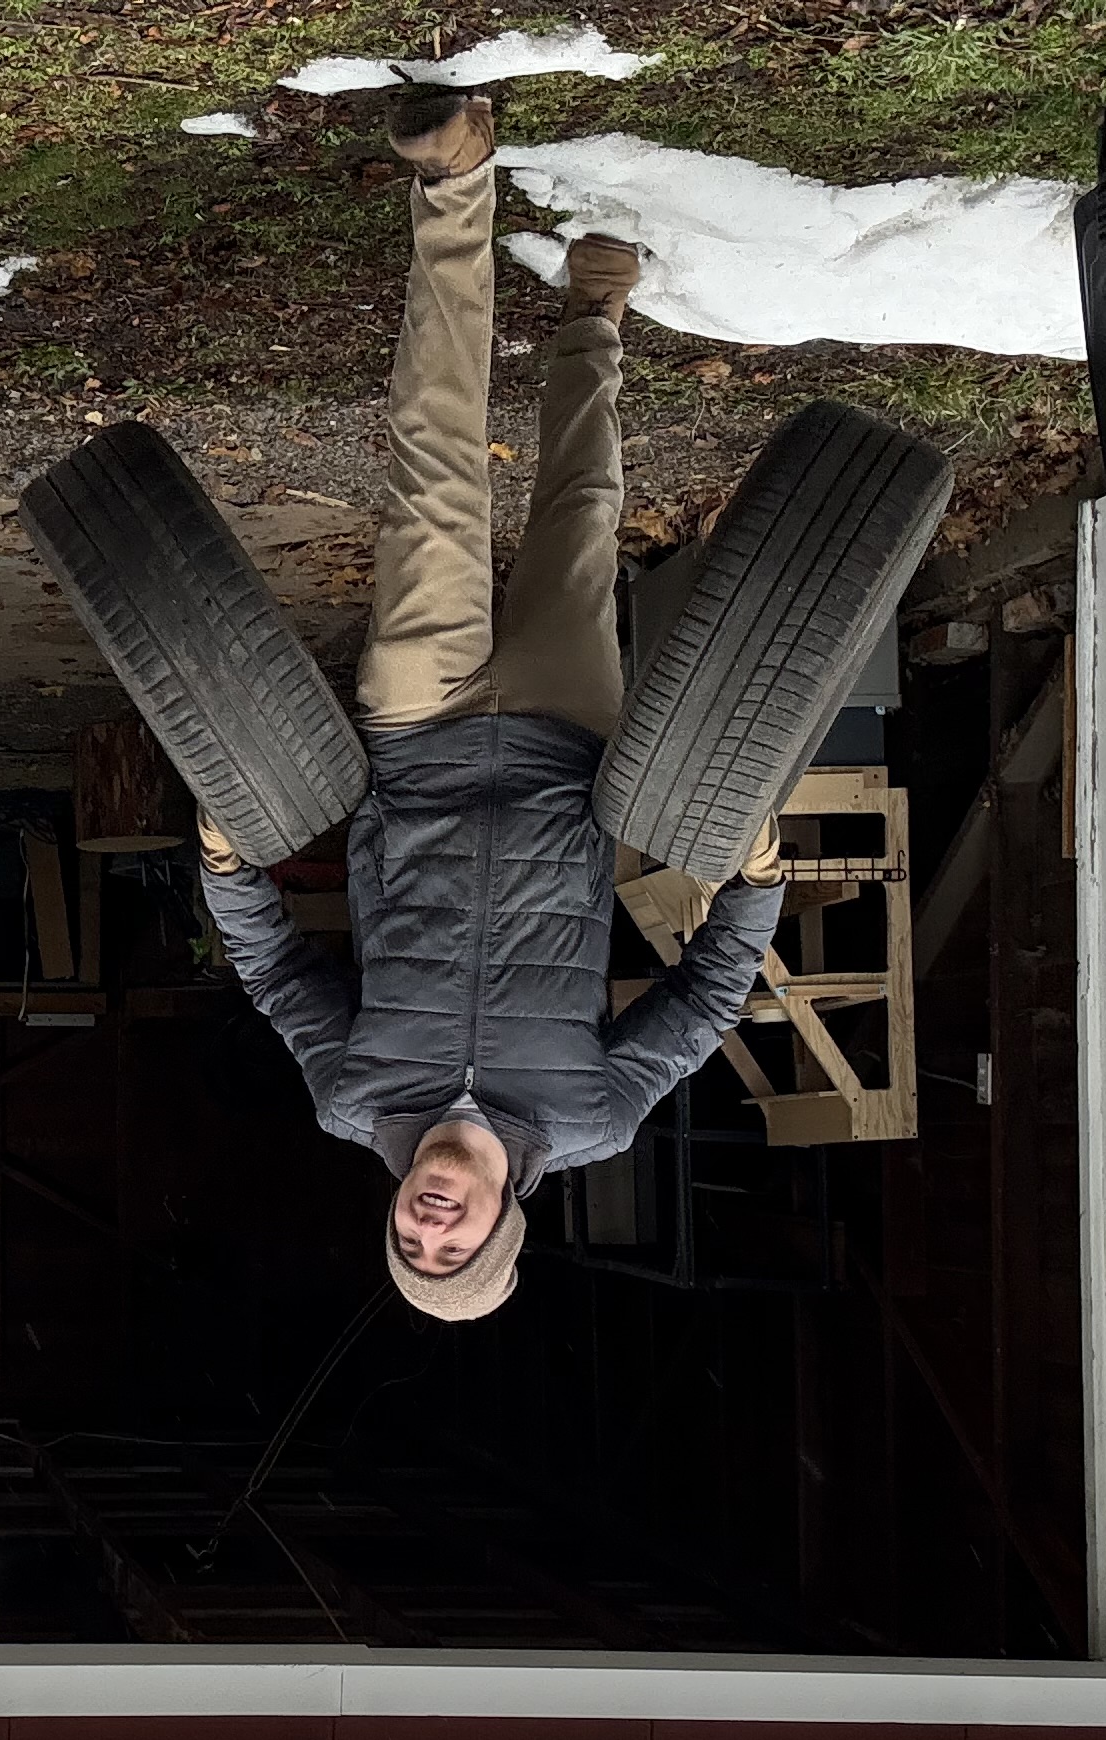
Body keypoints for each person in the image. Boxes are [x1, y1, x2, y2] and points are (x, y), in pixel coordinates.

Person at [197, 89, 788, 1321]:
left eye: (408, 1244)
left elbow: (273, 972)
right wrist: (757, 882)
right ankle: (593, 322)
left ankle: (453, 185)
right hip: (568, 751)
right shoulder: (591, 1118)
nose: (427, 1227)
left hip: (414, 740)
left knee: (432, 473)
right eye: (451, 1248)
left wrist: (226, 869)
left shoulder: (351, 1100)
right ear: (500, 1227)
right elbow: (701, 1005)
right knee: (579, 516)